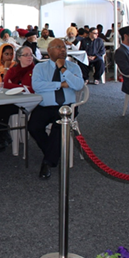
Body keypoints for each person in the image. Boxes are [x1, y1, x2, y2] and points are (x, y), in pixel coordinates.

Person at [30, 39, 84, 180]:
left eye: (64, 48)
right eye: (58, 47)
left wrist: (63, 69)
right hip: (45, 106)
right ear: (49, 50)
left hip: (67, 107)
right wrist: (60, 84)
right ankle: (53, 152)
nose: (63, 50)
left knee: (58, 127)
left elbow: (78, 85)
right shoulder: (40, 68)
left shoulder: (73, 67)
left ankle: (48, 162)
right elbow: (37, 86)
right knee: (33, 126)